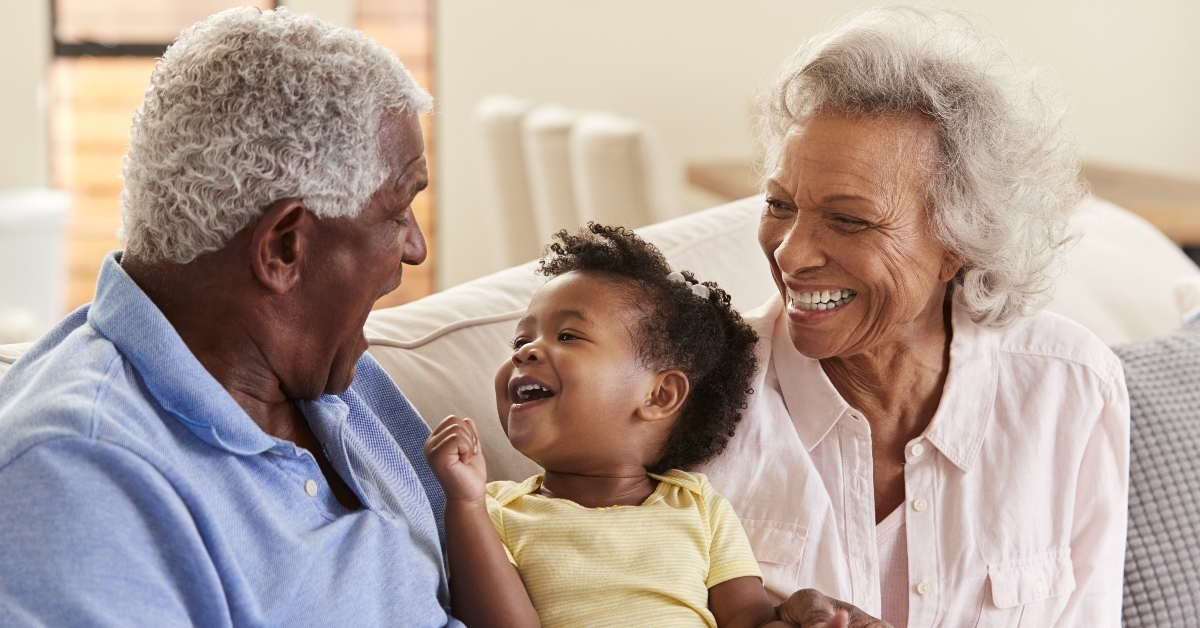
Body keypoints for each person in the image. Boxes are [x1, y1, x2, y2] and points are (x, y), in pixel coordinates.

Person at [0, 8, 463, 626]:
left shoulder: (328, 374)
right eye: (398, 211)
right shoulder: (75, 475)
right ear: (283, 249)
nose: (415, 249)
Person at [699, 7, 1130, 627]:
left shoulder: (1073, 387)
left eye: (849, 219)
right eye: (780, 205)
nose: (791, 252)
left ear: (960, 242)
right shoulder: (690, 392)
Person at [424, 224, 813, 628]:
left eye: (568, 335)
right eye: (520, 341)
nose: (525, 353)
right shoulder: (494, 510)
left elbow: (748, 619)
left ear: (659, 396)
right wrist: (464, 503)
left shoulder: (699, 507)